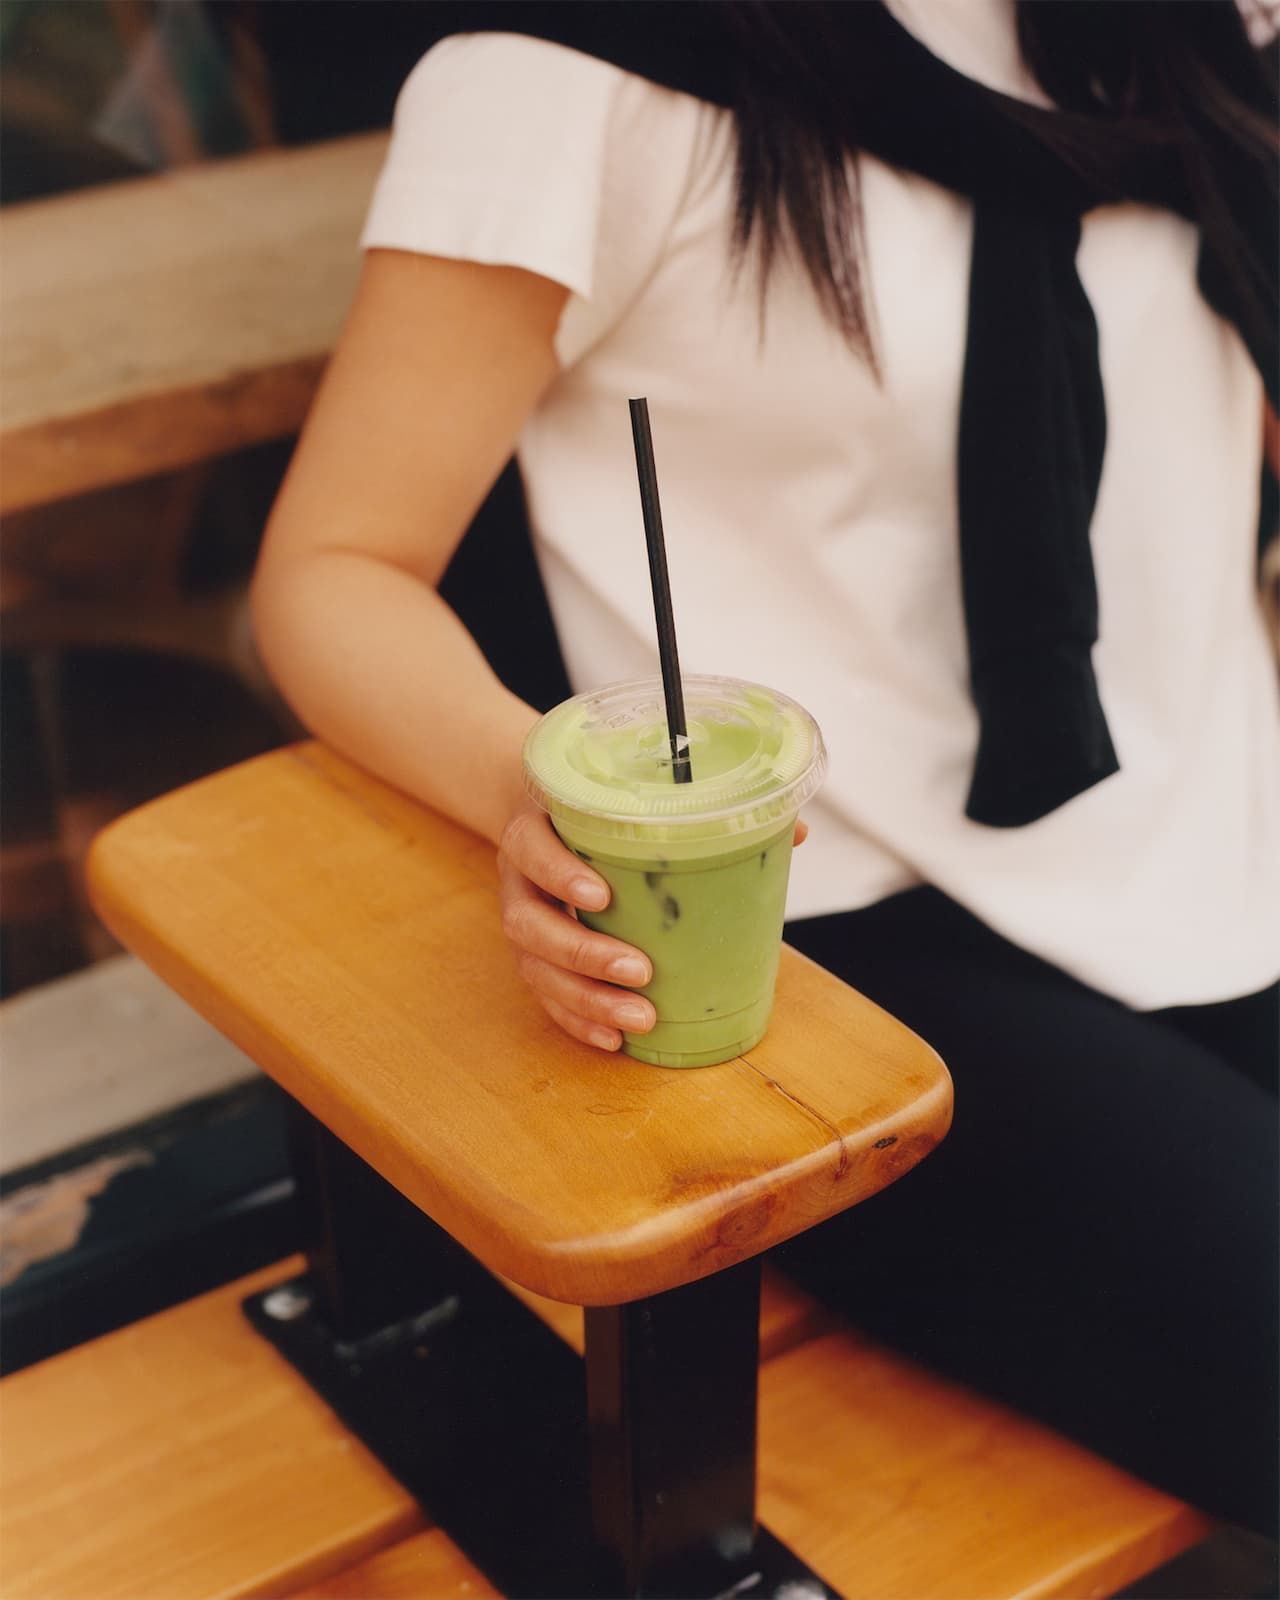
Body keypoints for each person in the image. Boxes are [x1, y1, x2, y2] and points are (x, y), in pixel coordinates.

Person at [250, 0, 1279, 1538]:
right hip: (835, 943)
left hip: (1227, 823)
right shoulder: (573, 77)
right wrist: (540, 806)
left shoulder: (1177, 24)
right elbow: (335, 568)